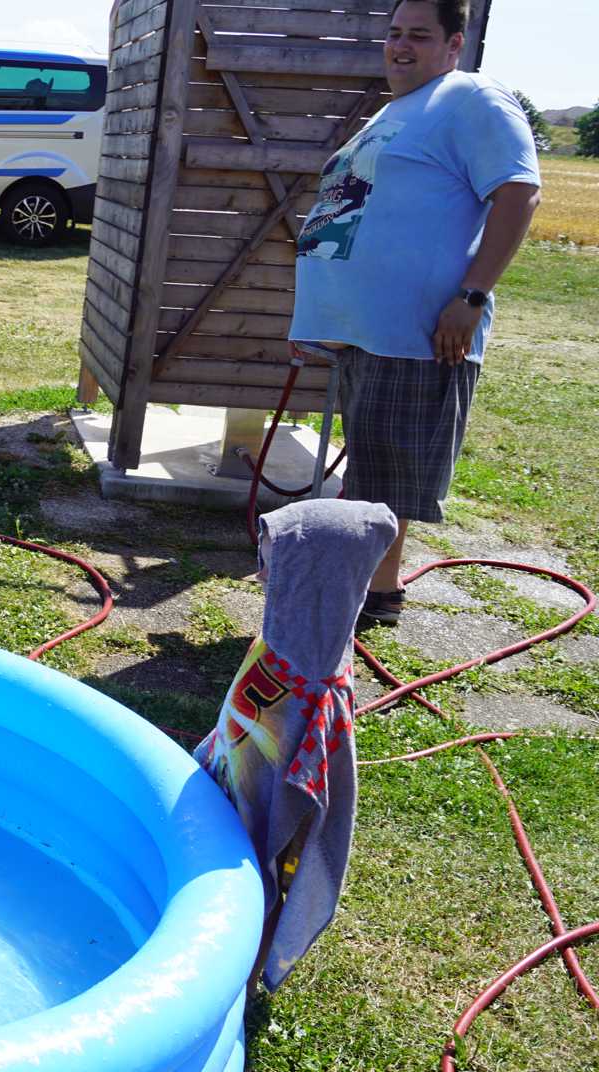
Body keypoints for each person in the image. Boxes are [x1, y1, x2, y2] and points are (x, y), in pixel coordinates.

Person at [290, 0, 540, 626]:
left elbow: (519, 191)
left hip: (421, 332)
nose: (400, 46)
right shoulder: (395, 112)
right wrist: (327, 319)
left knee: (388, 477)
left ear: (455, 44)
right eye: (394, 34)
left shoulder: (472, 98)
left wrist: (472, 296)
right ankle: (368, 592)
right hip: (367, 332)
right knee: (373, 464)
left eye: (420, 36)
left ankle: (374, 599)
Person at [193, 499, 399, 993]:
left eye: (277, 560)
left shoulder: (313, 677)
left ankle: (236, 988)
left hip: (261, 831)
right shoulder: (290, 637)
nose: (263, 572)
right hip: (230, 791)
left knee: (258, 892)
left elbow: (311, 793)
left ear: (314, 576)